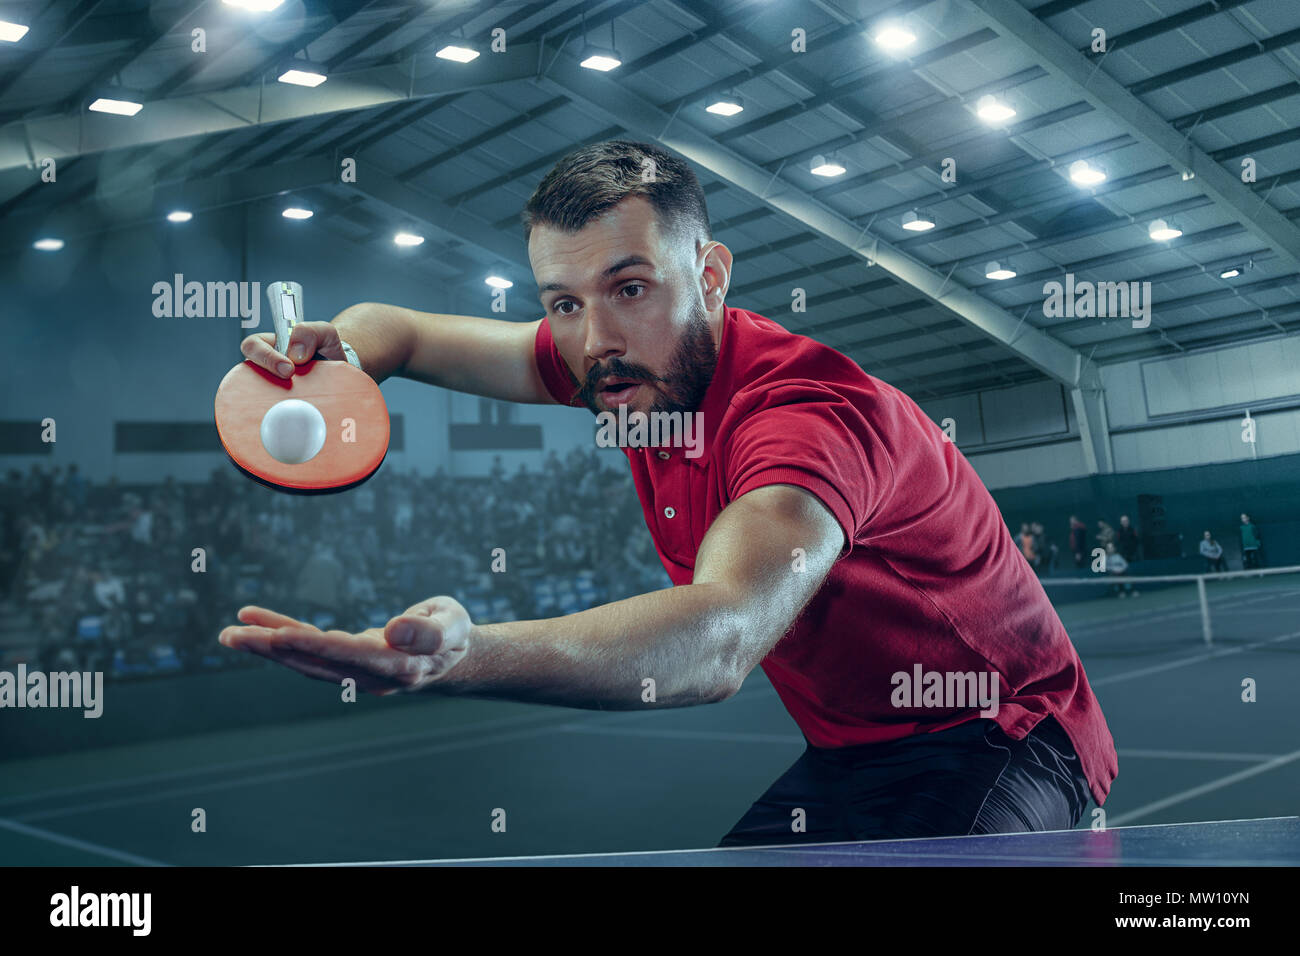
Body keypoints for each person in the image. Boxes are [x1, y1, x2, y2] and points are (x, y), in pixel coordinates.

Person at [221, 140, 1115, 846]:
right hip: (851, 751)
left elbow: (720, 637)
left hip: (1004, 736)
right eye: (563, 303)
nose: (596, 337)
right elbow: (403, 331)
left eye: (630, 287)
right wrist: (337, 355)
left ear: (712, 275)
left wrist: (459, 656)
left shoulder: (805, 415)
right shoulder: (619, 363)